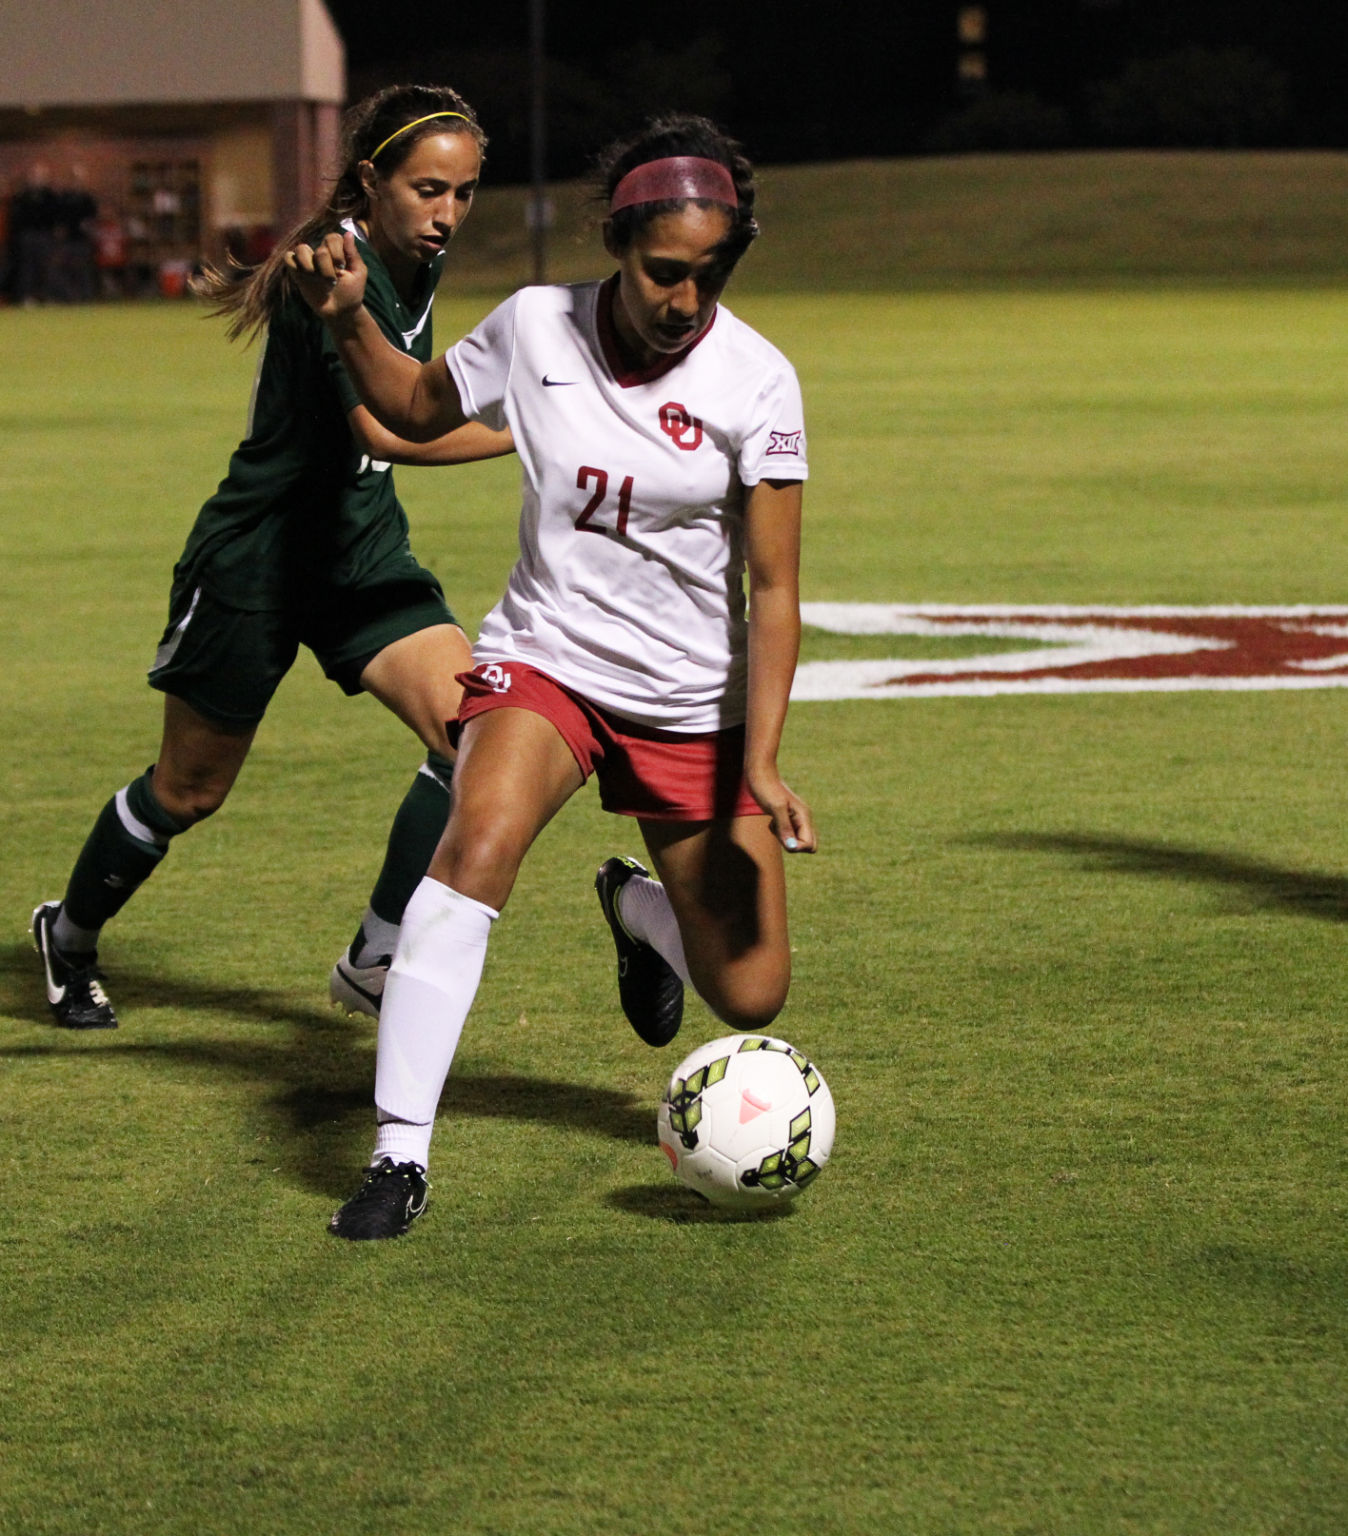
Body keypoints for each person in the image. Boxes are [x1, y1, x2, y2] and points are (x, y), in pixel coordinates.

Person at [288, 112, 816, 1240]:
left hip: (687, 699)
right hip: (548, 661)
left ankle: (639, 908)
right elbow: (416, 408)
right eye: (663, 272)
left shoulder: (759, 380)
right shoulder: (535, 326)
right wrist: (347, 325)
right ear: (617, 245)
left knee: (752, 993)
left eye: (709, 275)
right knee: (473, 845)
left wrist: (760, 760)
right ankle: (398, 1156)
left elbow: (773, 590)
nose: (684, 299)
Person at [32, 84, 513, 1031]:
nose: (447, 214)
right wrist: (535, 433)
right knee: (187, 790)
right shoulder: (327, 273)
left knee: (476, 737)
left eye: (462, 193)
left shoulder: (410, 255)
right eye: (428, 190)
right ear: (371, 181)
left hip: (360, 549)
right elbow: (391, 424)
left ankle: (377, 955)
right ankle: (70, 931)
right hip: (258, 558)